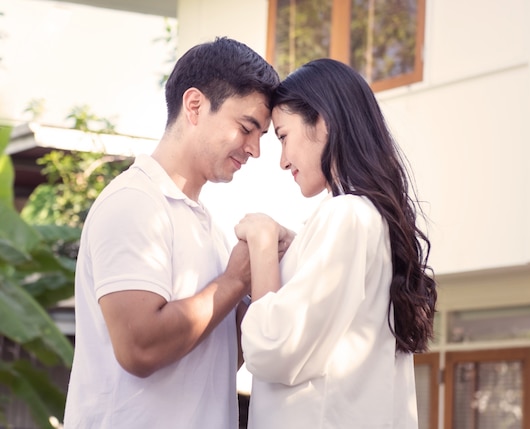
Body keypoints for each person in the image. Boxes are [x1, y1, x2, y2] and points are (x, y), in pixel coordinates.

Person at [63, 37, 280, 429]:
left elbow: (215, 359)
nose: (255, 150)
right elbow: (140, 348)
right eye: (247, 128)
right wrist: (233, 281)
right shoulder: (134, 202)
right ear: (194, 105)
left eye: (261, 136)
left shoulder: (208, 227)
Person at [234, 58, 437, 428]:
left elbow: (273, 348)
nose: (281, 161)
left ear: (322, 122)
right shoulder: (363, 217)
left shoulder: (348, 215)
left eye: (283, 136)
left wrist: (263, 244)